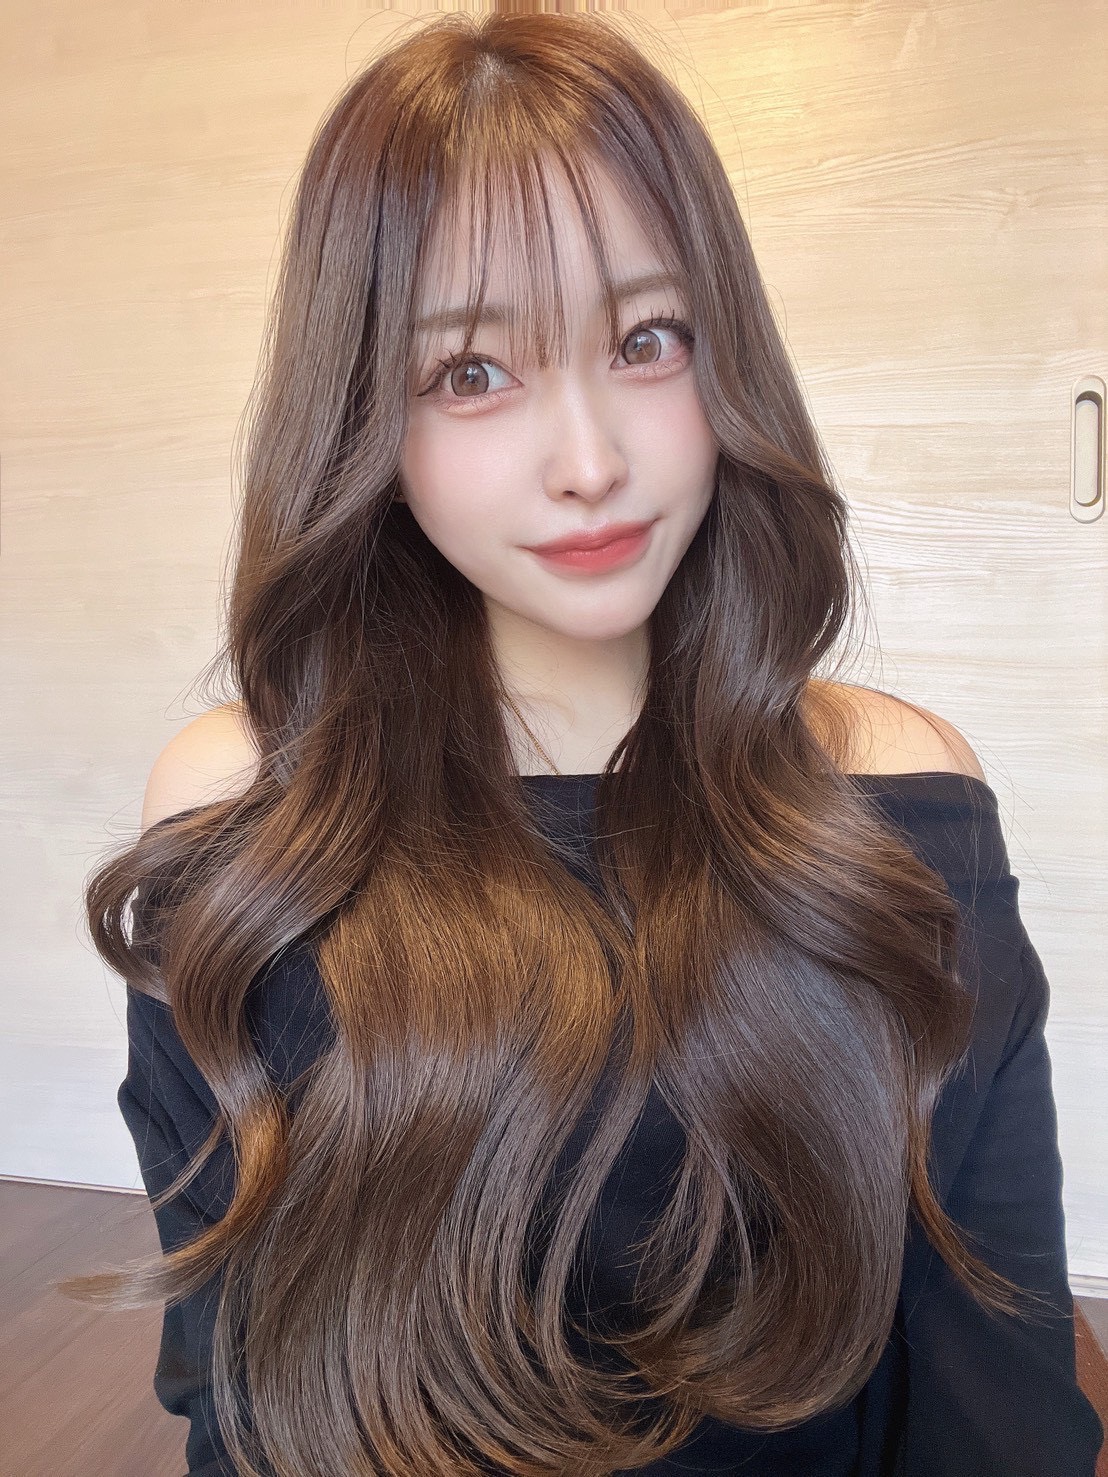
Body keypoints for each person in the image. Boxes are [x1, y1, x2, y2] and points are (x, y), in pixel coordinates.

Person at [64, 11, 1103, 1476]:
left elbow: (997, 1383)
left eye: (645, 340)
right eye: (471, 373)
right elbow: (239, 1390)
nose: (593, 461)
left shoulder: (898, 796)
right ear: (367, 417)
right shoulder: (251, 810)